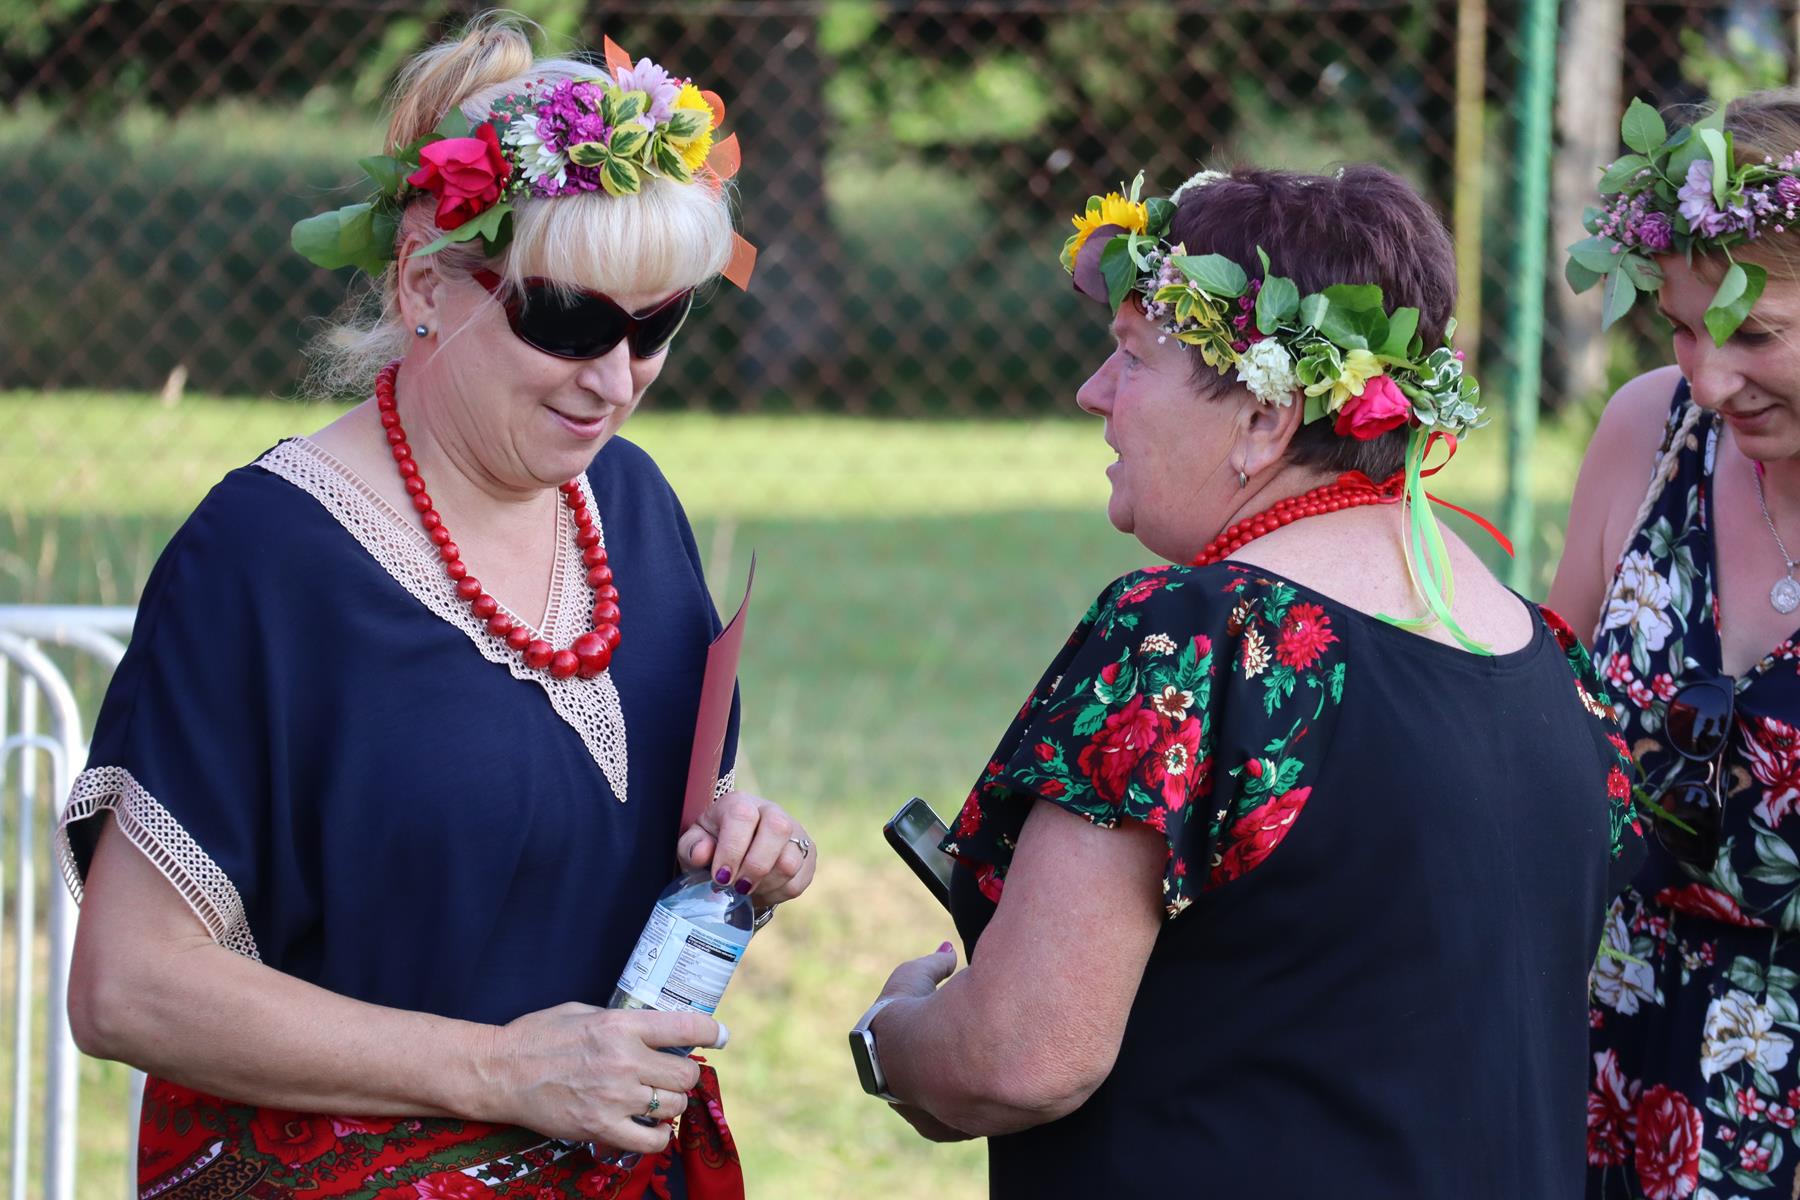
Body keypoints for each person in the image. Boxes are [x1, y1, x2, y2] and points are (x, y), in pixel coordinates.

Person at [55, 16, 813, 1198]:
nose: (614, 380)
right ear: (423, 283)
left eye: (656, 325)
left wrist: (740, 848)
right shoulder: (266, 555)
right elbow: (127, 988)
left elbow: (611, 836)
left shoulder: (631, 506)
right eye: (566, 322)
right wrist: (498, 1072)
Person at [849, 164, 1643, 1197]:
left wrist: (892, 1038)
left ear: (1267, 417)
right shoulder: (1547, 663)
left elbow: (1022, 1055)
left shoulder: (1197, 640)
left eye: (1133, 357)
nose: (1095, 393)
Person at [1554, 90, 1800, 1198]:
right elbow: (1544, 732)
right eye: (1682, 327)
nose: (1708, 379)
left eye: (1754, 333)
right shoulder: (1650, 430)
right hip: (1607, 1042)